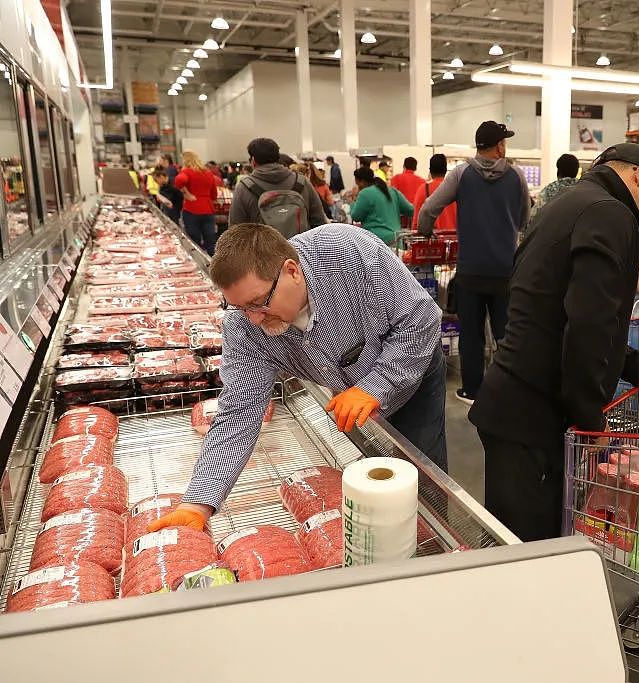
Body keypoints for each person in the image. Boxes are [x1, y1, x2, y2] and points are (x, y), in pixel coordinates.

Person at [145, 223, 447, 532]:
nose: (254, 319)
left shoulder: (346, 251)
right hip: (348, 390)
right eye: (240, 307)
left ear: (292, 271)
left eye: (259, 302)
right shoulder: (243, 327)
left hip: (412, 373)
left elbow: (420, 320)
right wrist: (198, 502)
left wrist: (377, 385)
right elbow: (239, 411)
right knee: (371, 481)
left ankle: (438, 555)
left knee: (422, 484)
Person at [468, 142, 639, 541]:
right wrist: (589, 415)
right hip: (533, 413)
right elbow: (589, 324)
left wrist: (634, 365)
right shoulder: (612, 214)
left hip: (512, 402)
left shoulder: (567, 203)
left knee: (508, 539)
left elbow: (558, 309)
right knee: (527, 552)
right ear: (638, 175)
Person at [418, 120, 531, 405]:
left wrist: (425, 229)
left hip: (470, 272)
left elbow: (430, 208)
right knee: (506, 334)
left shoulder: (461, 174)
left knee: (471, 334)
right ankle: (506, 389)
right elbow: (524, 221)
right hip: (505, 271)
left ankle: (472, 390)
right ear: (500, 145)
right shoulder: (516, 176)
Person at [229, 137, 329, 232]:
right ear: (278, 157)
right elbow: (319, 221)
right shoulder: (302, 182)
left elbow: (235, 230)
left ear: (253, 161)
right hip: (299, 249)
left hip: (261, 249)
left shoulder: (244, 188)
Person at [349, 166, 414, 246]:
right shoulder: (392, 191)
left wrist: (353, 200)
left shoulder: (365, 193)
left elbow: (356, 216)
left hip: (376, 242)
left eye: (357, 183)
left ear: (361, 181)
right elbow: (411, 210)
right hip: (396, 239)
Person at [174, 150, 219, 255]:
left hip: (191, 209)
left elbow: (179, 180)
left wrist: (186, 193)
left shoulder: (187, 172)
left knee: (195, 242)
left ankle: (199, 267)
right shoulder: (208, 173)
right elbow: (214, 195)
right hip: (208, 209)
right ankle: (214, 267)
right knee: (211, 242)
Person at [412, 153, 457, 233]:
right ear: (445, 170)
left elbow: (417, 222)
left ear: (430, 170)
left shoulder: (423, 189)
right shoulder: (456, 188)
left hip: (433, 242)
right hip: (455, 239)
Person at [530, 153, 579, 221]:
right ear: (576, 171)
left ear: (558, 171)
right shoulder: (584, 190)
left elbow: (534, 217)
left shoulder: (548, 191)